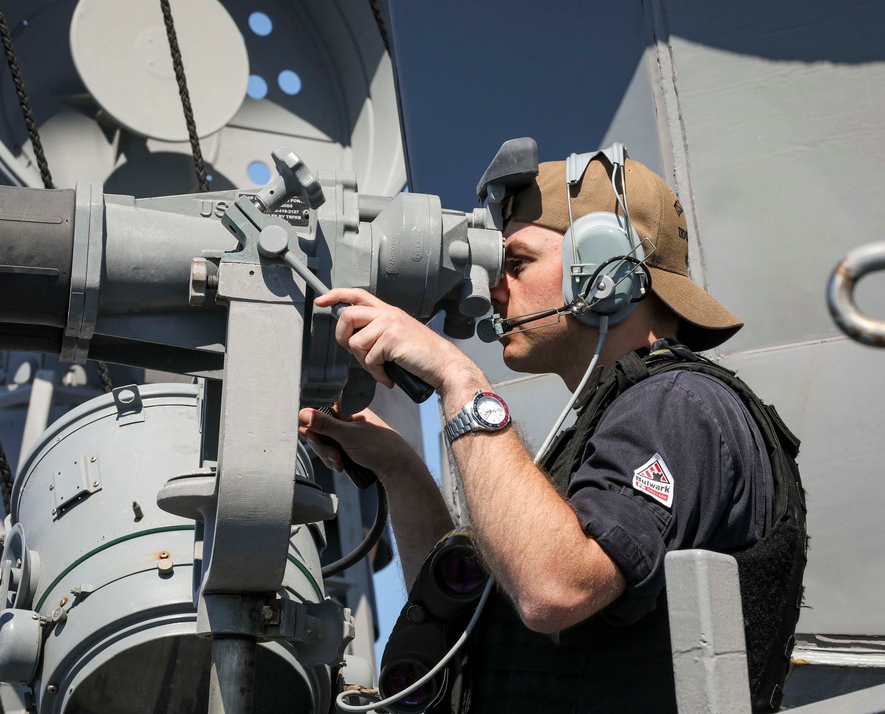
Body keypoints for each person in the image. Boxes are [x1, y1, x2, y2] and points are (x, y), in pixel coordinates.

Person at [299, 149, 806, 713]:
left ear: (607, 271)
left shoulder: (679, 403)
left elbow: (555, 591)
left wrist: (459, 380)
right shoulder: (616, 417)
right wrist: (397, 466)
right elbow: (465, 611)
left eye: (515, 264)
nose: (496, 291)